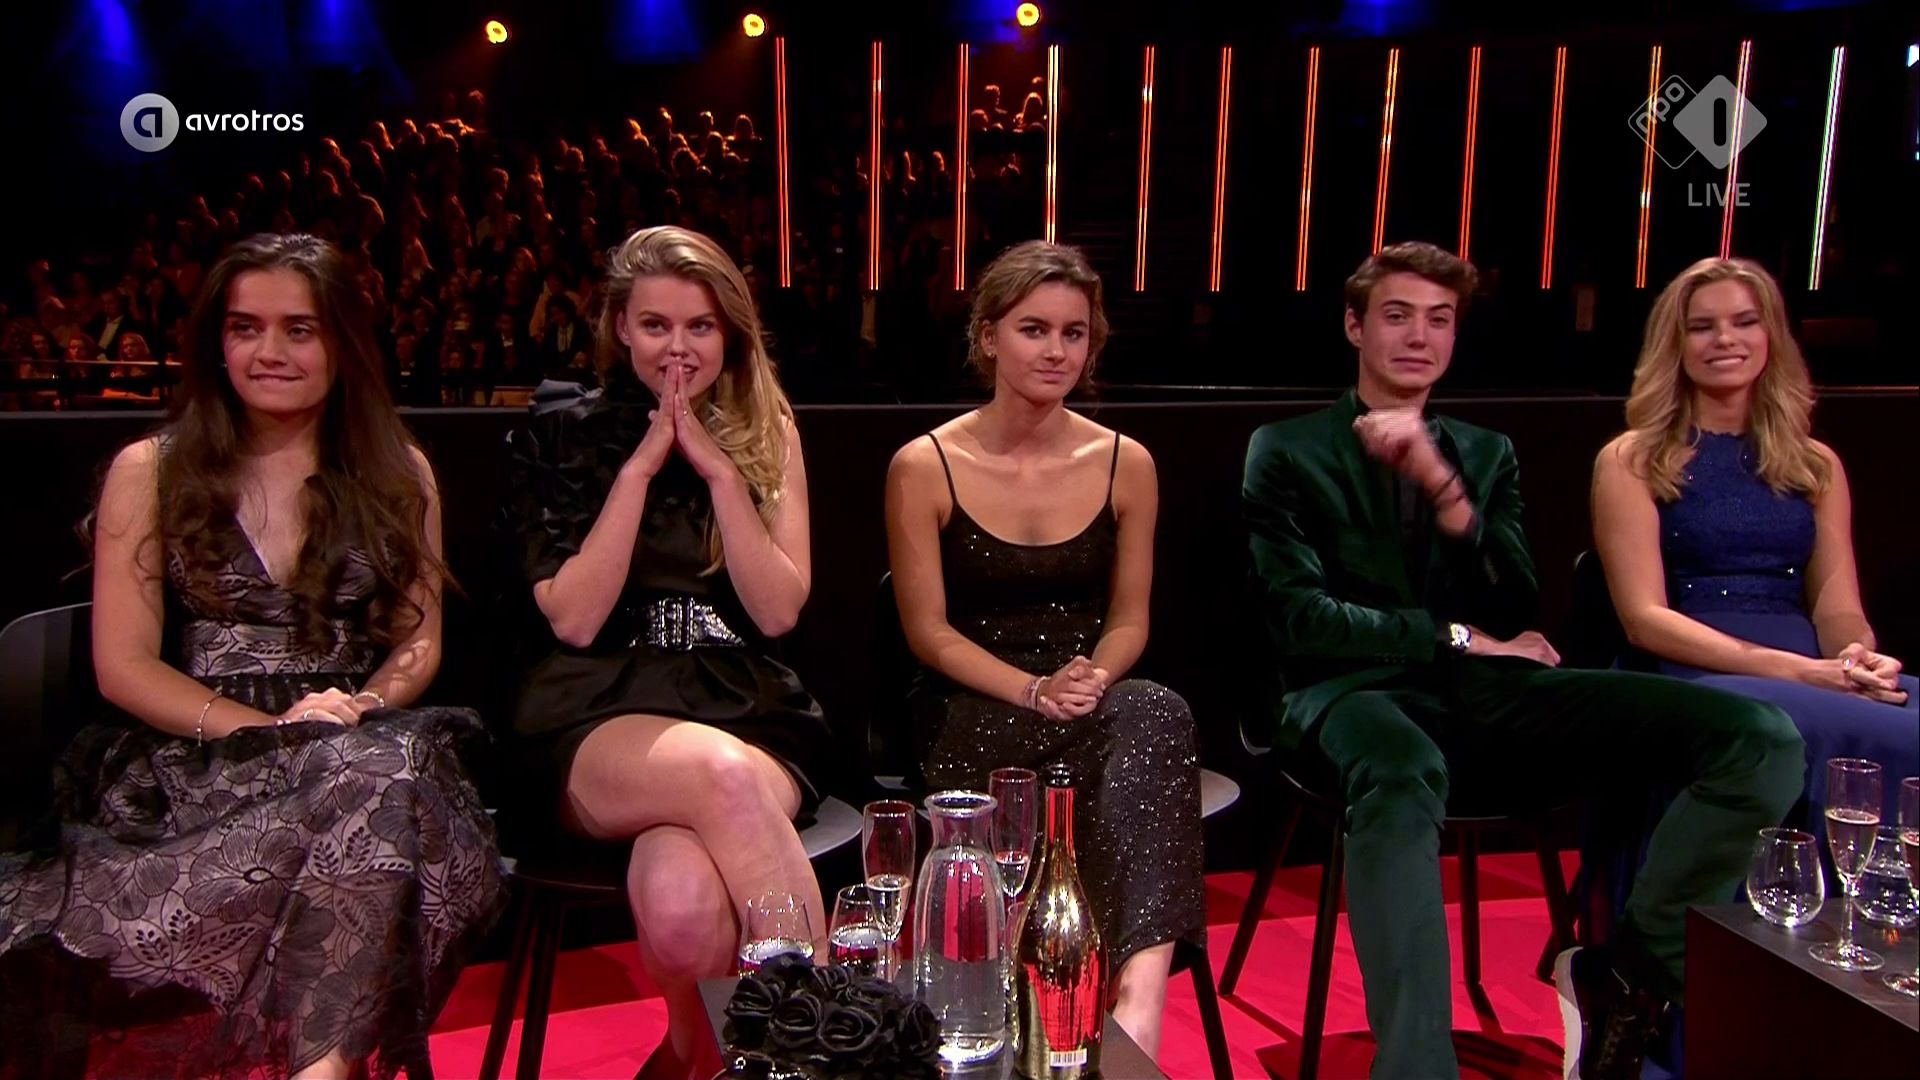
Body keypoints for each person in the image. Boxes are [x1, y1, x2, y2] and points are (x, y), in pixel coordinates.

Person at [1241, 241, 1804, 1080]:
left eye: (1440, 320)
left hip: (1481, 690)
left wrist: (1443, 487)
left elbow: (1512, 605)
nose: (1420, 337)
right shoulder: (1285, 448)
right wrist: (1454, 636)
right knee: (1401, 767)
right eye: (1397, 316)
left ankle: (1631, 975)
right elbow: (1302, 622)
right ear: (1355, 326)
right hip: (1344, 693)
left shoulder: (1482, 453)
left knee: (1760, 738)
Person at [0, 233, 504, 1080]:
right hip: (202, 759)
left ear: (343, 343)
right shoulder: (150, 470)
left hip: (356, 737)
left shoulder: (400, 472)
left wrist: (359, 707)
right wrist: (269, 730)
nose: (269, 351)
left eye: (298, 330)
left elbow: (418, 641)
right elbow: (124, 665)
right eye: (245, 328)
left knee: (381, 776)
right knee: (379, 793)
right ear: (216, 341)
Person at [501, 225, 829, 1080]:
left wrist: (720, 473)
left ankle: (690, 1060)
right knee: (719, 778)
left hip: (744, 703)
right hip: (599, 707)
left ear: (730, 334)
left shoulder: (768, 431)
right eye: (655, 325)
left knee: (682, 911)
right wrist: (640, 471)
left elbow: (778, 609)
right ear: (621, 327)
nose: (677, 348)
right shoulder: (562, 433)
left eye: (700, 327)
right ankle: (823, 1047)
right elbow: (575, 619)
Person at [885, 240, 1205, 1058]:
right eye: (1034, 329)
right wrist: (1032, 690)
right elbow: (928, 632)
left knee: (1153, 712)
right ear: (988, 337)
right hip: (975, 708)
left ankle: (1137, 1011)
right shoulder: (924, 465)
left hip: (1088, 700)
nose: (1056, 351)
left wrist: (1091, 678)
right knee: (1125, 761)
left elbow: (1129, 619)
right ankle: (1068, 1011)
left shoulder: (1126, 463)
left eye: (1074, 333)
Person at [1592, 257, 1916, 822]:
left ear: (1771, 336)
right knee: (1876, 731)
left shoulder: (1815, 464)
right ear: (1675, 344)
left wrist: (1853, 656)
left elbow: (1837, 605)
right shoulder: (1632, 460)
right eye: (1702, 327)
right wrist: (1801, 672)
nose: (1725, 339)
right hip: (1694, 671)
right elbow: (1644, 620)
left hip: (1810, 662)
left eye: (1744, 322)